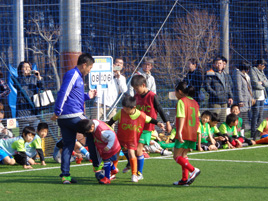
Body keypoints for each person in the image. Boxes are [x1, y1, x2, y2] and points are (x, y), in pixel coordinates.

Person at [51, 53, 101, 184]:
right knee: (92, 134)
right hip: (73, 116)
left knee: (68, 145)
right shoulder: (73, 74)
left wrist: (87, 96)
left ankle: (65, 176)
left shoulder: (78, 76)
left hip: (66, 118)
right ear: (84, 65)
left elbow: (73, 97)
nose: (90, 70)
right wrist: (57, 111)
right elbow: (63, 92)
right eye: (89, 68)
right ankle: (98, 170)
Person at [107, 95, 165, 182]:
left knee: (131, 153)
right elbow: (112, 120)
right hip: (120, 138)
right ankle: (112, 173)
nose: (125, 111)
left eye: (127, 109)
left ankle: (134, 174)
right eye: (124, 108)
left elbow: (150, 119)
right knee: (115, 154)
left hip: (132, 139)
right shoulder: (121, 112)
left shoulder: (141, 115)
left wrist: (158, 123)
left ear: (134, 107)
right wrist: (106, 128)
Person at [130, 75, 172, 179]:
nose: (136, 90)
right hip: (136, 127)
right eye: (134, 89)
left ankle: (139, 173)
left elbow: (160, 109)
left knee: (139, 148)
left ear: (143, 85)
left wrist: (167, 122)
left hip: (147, 127)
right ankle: (132, 167)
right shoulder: (136, 97)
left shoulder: (152, 96)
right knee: (133, 149)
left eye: (137, 88)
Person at [173, 81, 201, 186]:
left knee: (176, 156)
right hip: (193, 131)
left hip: (184, 131)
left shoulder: (182, 101)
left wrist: (179, 132)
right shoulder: (195, 102)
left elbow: (182, 116)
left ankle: (193, 170)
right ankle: (184, 180)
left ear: (180, 91)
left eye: (175, 91)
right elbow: (197, 118)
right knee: (183, 155)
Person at [77, 119, 121, 185]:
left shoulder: (102, 131)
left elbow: (112, 136)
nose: (88, 133)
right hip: (105, 144)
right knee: (105, 159)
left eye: (88, 131)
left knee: (106, 160)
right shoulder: (93, 123)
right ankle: (113, 169)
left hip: (110, 145)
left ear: (92, 127)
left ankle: (107, 179)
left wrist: (108, 146)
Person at [92, 57, 127, 122]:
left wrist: (118, 76)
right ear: (113, 64)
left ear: (122, 66)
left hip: (112, 104)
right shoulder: (105, 74)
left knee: (111, 124)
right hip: (99, 102)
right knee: (95, 122)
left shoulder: (122, 78)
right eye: (117, 63)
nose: (118, 65)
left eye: (121, 63)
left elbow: (124, 90)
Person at [15, 61, 44, 133]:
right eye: (24, 67)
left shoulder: (34, 78)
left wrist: (39, 77)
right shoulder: (17, 79)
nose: (26, 68)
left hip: (33, 108)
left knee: (34, 132)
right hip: (22, 109)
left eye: (28, 67)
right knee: (24, 132)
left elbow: (42, 87)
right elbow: (17, 86)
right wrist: (24, 76)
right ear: (21, 69)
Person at [205, 56, 233, 123]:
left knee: (223, 119)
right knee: (214, 119)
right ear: (214, 64)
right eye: (217, 63)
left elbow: (228, 87)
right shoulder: (210, 74)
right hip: (215, 102)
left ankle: (221, 133)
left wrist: (230, 97)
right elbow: (207, 87)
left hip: (224, 101)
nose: (219, 65)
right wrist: (216, 94)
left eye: (220, 63)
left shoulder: (225, 75)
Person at [249, 59, 268, 138]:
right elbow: (255, 84)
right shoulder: (253, 71)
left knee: (260, 115)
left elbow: (267, 83)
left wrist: (262, 82)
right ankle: (253, 133)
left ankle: (259, 132)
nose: (264, 67)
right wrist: (263, 84)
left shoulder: (262, 72)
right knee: (255, 115)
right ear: (259, 65)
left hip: (262, 96)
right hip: (256, 96)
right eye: (263, 65)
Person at [232, 61, 254, 126]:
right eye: (247, 69)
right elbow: (238, 88)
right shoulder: (238, 74)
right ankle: (238, 134)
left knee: (244, 120)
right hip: (241, 102)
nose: (248, 70)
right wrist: (240, 100)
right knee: (240, 120)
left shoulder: (244, 75)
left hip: (246, 100)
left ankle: (242, 134)